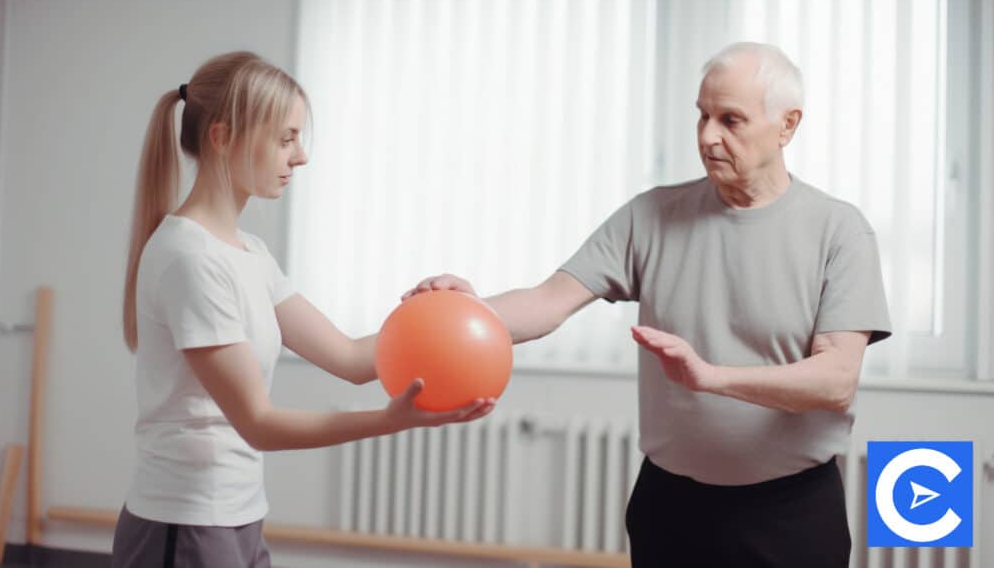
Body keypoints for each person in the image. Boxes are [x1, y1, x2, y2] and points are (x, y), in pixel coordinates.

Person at [404, 42, 891, 567]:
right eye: (701, 116)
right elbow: (550, 300)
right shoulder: (652, 214)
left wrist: (712, 377)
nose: (708, 137)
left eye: (731, 120)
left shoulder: (840, 230)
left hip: (790, 513)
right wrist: (468, 311)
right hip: (670, 507)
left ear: (787, 125)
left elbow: (835, 381)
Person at [113, 51, 495, 568]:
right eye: (285, 138)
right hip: (186, 523)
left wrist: (445, 311)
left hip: (236, 516)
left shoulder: (248, 254)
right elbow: (259, 424)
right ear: (223, 137)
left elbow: (353, 359)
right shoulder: (190, 258)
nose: (300, 156)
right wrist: (390, 421)